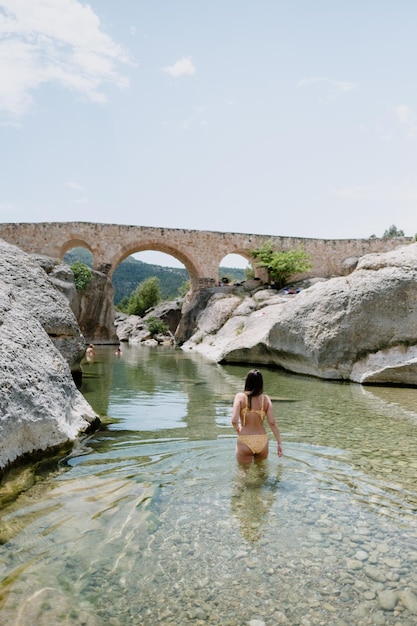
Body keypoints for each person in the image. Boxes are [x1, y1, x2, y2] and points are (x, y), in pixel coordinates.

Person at [231, 369, 283, 464]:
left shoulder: (240, 397)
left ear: (247, 381)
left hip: (245, 438)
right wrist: (279, 442)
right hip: (262, 439)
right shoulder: (266, 399)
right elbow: (272, 422)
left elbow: (234, 420)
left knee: (243, 473)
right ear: (261, 383)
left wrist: (238, 429)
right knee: (261, 472)